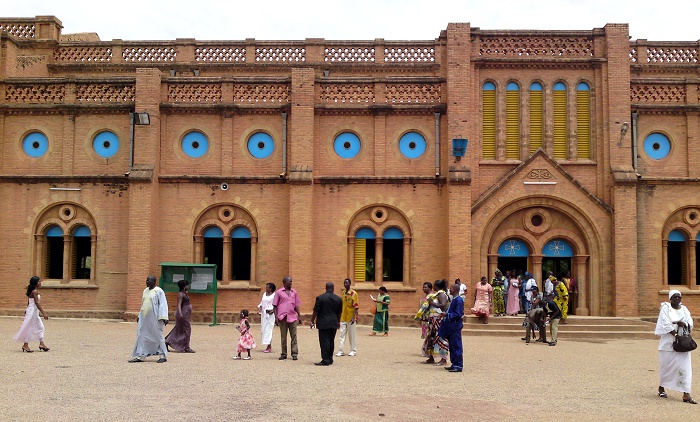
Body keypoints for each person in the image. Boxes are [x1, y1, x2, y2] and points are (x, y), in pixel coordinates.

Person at [655, 290, 696, 404]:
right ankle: (661, 387)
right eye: (674, 297)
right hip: (668, 344)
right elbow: (664, 323)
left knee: (685, 368)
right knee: (667, 368)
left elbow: (690, 322)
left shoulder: (684, 309)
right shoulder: (666, 308)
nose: (677, 299)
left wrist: (684, 324)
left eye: (679, 297)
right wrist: (675, 332)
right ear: (670, 298)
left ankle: (686, 394)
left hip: (683, 344)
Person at [129, 275, 169, 363]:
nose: (147, 282)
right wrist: (140, 316)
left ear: (154, 282)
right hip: (145, 317)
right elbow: (143, 304)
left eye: (149, 280)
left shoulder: (159, 291)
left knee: (158, 335)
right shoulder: (145, 291)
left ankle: (163, 355)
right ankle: (142, 355)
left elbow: (163, 304)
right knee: (142, 335)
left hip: (155, 318)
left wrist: (164, 317)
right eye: (146, 280)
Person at [13, 276, 49, 353]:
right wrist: (44, 313)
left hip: (33, 311)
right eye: (39, 281)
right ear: (36, 283)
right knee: (30, 327)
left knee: (40, 327)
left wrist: (27, 309)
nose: (40, 283)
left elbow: (29, 302)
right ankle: (25, 345)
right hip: (33, 311)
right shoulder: (34, 292)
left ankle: (41, 343)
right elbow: (36, 303)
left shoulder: (33, 291)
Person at [310, 282, 342, 366]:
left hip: (323, 322)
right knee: (331, 340)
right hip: (333, 322)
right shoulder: (338, 299)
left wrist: (312, 320)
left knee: (324, 341)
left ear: (325, 288)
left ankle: (325, 359)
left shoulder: (320, 298)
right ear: (333, 288)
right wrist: (338, 321)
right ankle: (330, 358)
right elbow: (339, 312)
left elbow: (316, 310)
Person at [273, 276, 302, 361]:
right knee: (283, 336)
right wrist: (276, 317)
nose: (291, 283)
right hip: (283, 317)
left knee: (294, 336)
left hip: (292, 316)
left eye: (291, 281)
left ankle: (294, 353)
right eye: (289, 281)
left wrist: (299, 316)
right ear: (284, 282)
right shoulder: (279, 292)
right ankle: (284, 353)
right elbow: (274, 305)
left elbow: (296, 305)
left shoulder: (294, 292)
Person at [437, 284, 464, 373]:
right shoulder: (454, 299)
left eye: (451, 288)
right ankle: (454, 363)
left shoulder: (459, 300)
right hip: (451, 327)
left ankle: (458, 365)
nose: (449, 290)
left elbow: (458, 314)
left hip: (455, 327)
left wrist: (447, 315)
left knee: (456, 346)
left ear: (455, 289)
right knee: (452, 346)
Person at [165, 279, 195, 353]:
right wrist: (180, 313)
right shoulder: (180, 294)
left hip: (186, 314)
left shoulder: (184, 293)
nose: (188, 286)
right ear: (184, 286)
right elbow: (179, 304)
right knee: (187, 330)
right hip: (183, 314)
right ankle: (186, 347)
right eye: (187, 285)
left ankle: (167, 341)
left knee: (179, 329)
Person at [423, 279, 449, 365]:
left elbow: (443, 305)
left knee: (440, 338)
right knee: (431, 338)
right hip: (432, 319)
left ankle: (443, 359)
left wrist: (431, 302)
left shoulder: (441, 294)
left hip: (438, 320)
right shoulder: (436, 295)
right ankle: (431, 357)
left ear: (436, 286)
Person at [336, 278, 359, 357]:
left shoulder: (353, 294)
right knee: (341, 335)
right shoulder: (343, 293)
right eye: (344, 283)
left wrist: (353, 317)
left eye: (347, 283)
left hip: (350, 317)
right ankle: (341, 350)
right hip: (343, 317)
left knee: (351, 335)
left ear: (350, 284)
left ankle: (353, 350)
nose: (345, 284)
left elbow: (356, 307)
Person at [415, 281, 433, 357]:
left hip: (430, 319)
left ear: (430, 288)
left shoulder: (432, 297)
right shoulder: (424, 298)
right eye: (423, 287)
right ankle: (426, 351)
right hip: (424, 319)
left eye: (425, 287)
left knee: (430, 335)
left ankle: (429, 351)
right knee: (427, 336)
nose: (424, 288)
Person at [257, 282, 276, 353]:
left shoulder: (274, 295)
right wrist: (260, 308)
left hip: (270, 315)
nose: (266, 288)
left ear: (270, 288)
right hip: (264, 315)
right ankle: (266, 343)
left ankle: (269, 346)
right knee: (263, 330)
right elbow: (262, 302)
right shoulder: (264, 294)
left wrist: (273, 310)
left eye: (267, 287)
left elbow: (276, 304)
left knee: (268, 330)